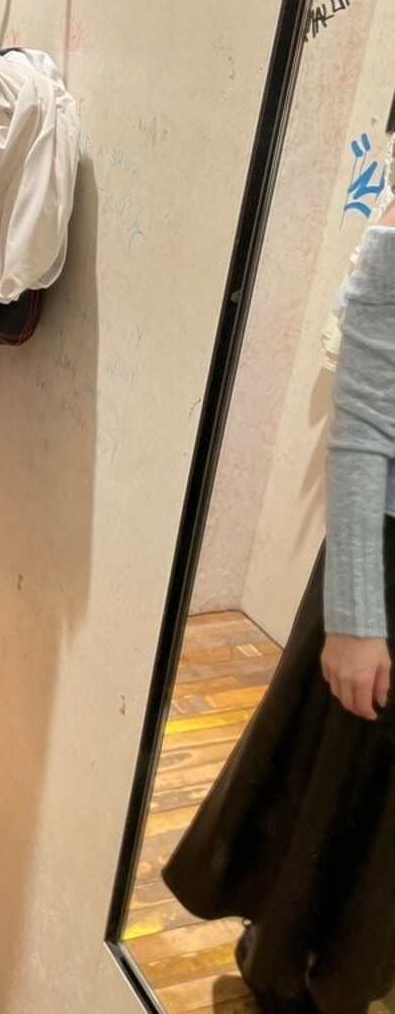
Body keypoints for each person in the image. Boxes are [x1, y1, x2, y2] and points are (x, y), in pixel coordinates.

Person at [162, 199, 395, 1014]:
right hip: (386, 565)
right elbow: (364, 424)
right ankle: (290, 974)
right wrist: (356, 614)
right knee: (331, 785)